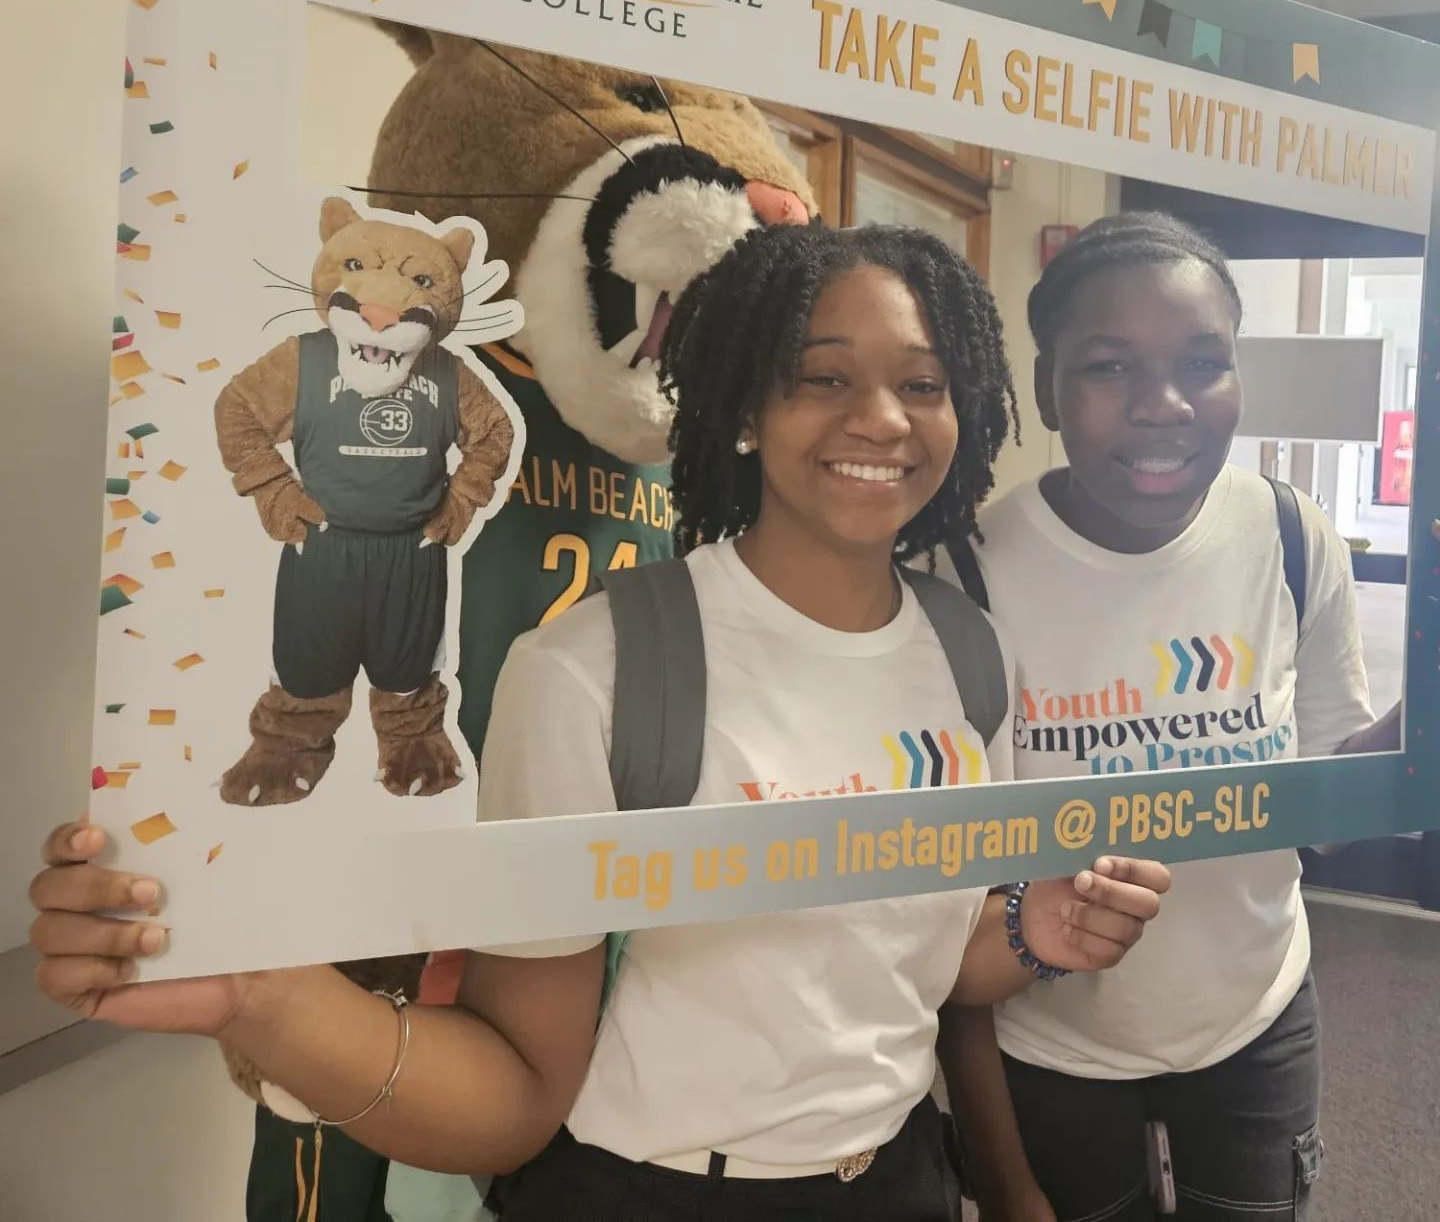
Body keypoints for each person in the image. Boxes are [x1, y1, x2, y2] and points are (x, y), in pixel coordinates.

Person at [30, 223, 1171, 1222]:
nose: (881, 418)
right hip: (651, 1192)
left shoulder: (971, 654)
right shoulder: (598, 671)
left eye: (922, 383)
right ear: (744, 410)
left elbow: (913, 955)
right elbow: (517, 1088)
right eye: (822, 378)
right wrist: (256, 995)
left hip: (899, 1182)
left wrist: (1034, 933)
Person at [936, 212, 1400, 1222]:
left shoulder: (1289, 534)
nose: (1165, 406)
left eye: (1203, 362)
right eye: (1109, 367)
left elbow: (1327, 807)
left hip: (1255, 1020)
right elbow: (945, 905)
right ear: (1047, 388)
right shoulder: (967, 574)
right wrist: (1005, 1182)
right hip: (1047, 1048)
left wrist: (1419, 728)